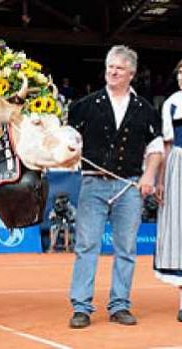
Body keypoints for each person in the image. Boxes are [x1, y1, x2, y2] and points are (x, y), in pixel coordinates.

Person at [68, 45, 163, 328]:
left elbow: (156, 148)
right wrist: (69, 150)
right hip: (92, 184)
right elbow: (69, 139)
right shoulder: (84, 105)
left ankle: (120, 305)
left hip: (129, 187)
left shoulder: (144, 109)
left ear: (131, 74)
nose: (113, 71)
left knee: (126, 248)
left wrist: (149, 176)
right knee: (87, 246)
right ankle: (81, 307)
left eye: (119, 68)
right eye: (110, 66)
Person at [154, 59, 182, 322]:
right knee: (179, 230)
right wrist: (160, 180)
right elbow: (166, 145)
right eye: (181, 74)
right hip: (178, 164)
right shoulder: (172, 102)